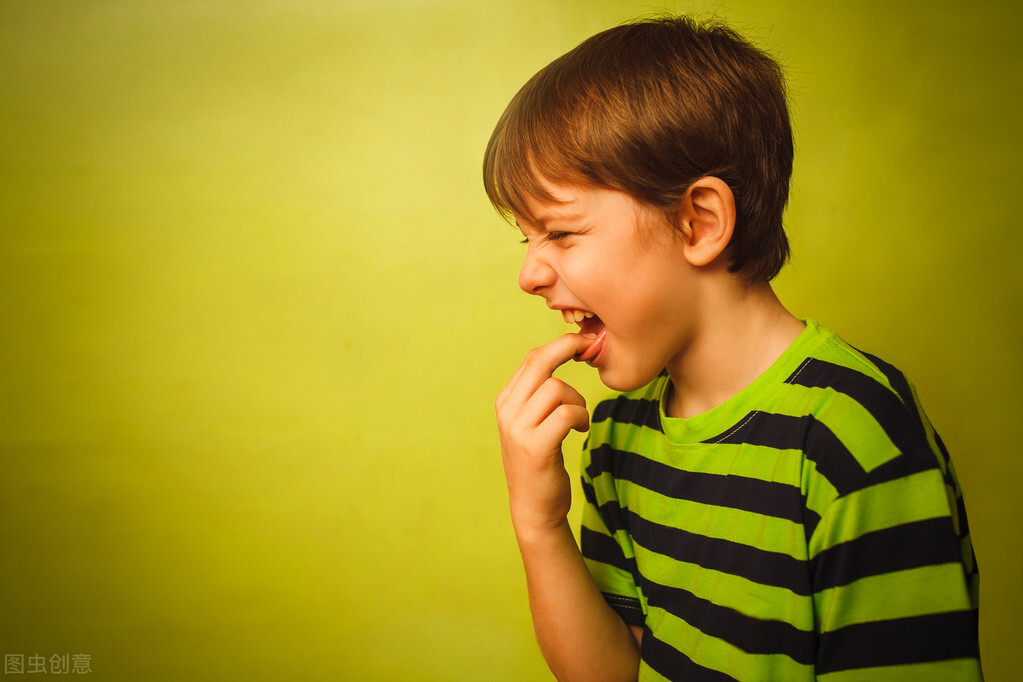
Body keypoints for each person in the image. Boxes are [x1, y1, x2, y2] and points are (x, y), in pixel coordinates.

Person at [483, 15, 982, 682]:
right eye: (527, 242)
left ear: (699, 222)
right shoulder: (616, 438)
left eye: (562, 234)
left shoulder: (850, 434)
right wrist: (538, 524)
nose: (529, 275)